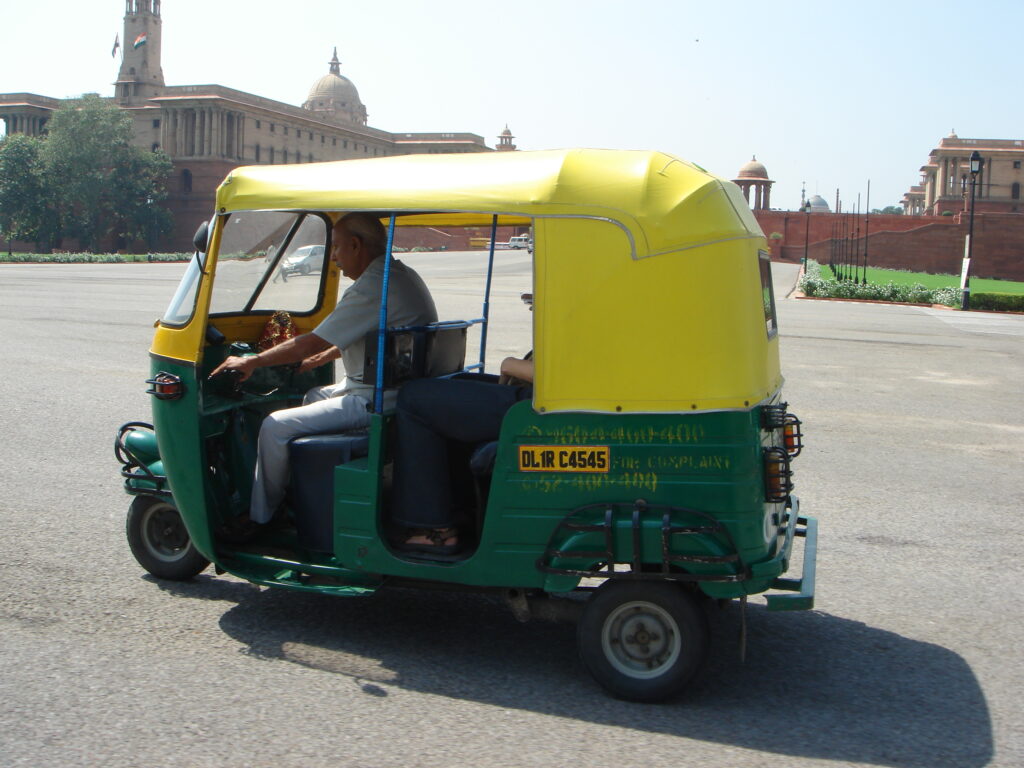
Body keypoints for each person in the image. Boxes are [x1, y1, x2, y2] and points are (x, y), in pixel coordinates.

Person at [210, 212, 437, 523]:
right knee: (315, 395)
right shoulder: (397, 276)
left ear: (356, 246)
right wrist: (319, 360)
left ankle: (262, 517)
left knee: (274, 426)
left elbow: (312, 341)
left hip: (376, 400)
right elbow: (364, 335)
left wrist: (253, 361)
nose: (334, 259)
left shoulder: (372, 288)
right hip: (394, 390)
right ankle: (302, 491)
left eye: (337, 248)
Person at [390, 356, 534, 553]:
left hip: (544, 405)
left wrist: (511, 364)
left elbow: (560, 379)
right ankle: (461, 509)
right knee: (458, 381)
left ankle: (432, 529)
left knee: (413, 397)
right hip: (544, 398)